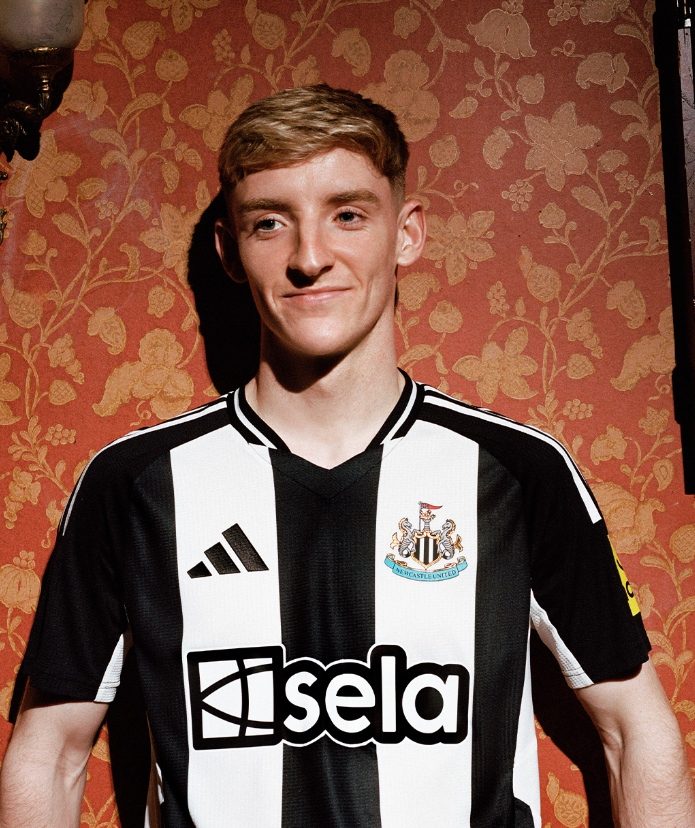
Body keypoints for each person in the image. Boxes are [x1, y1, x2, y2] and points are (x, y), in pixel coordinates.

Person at [0, 84, 693, 828]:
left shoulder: (516, 472)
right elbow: (51, 754)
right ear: (229, 251)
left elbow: (635, 729)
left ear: (407, 233)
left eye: (348, 215)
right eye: (270, 223)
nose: (309, 258)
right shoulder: (134, 484)